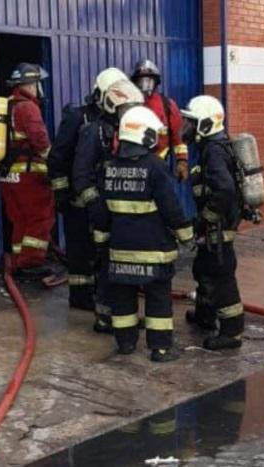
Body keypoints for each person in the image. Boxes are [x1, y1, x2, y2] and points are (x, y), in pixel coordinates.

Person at [97, 105, 193, 362]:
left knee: (122, 298)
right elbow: (171, 208)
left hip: (119, 250)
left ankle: (126, 343)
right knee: (158, 299)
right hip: (154, 250)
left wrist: (102, 240)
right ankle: (160, 348)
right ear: (145, 135)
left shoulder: (109, 167)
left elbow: (101, 211)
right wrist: (187, 235)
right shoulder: (156, 166)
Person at [47, 67, 127, 311]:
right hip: (77, 198)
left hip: (100, 198)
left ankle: (96, 291)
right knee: (80, 249)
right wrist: (62, 193)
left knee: (97, 248)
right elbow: (57, 158)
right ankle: (80, 297)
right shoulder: (77, 118)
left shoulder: (112, 120)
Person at [72, 78, 144, 333]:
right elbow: (81, 174)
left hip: (123, 211)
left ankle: (124, 314)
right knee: (106, 263)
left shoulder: (125, 132)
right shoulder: (95, 132)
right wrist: (96, 206)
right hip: (104, 211)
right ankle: (104, 317)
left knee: (125, 263)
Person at [181, 95, 244, 350]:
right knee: (204, 268)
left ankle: (232, 332)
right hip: (214, 228)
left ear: (205, 124)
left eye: (191, 122)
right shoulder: (210, 147)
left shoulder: (214, 151)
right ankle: (205, 316)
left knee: (221, 276)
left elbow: (225, 190)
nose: (186, 126)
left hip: (219, 229)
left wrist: (206, 218)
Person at [0, 63, 54, 272]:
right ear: (30, 85)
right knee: (39, 217)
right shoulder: (28, 107)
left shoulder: (7, 104)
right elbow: (40, 139)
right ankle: (31, 263)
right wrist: (53, 161)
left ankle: (18, 259)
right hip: (29, 176)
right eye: (38, 84)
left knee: (19, 219)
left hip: (8, 175)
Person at [130, 59, 189, 181]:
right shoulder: (129, 105)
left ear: (155, 82)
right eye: (141, 81)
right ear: (135, 83)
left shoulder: (167, 105)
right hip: (133, 166)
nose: (145, 85)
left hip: (159, 166)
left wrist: (182, 161)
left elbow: (178, 137)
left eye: (149, 81)